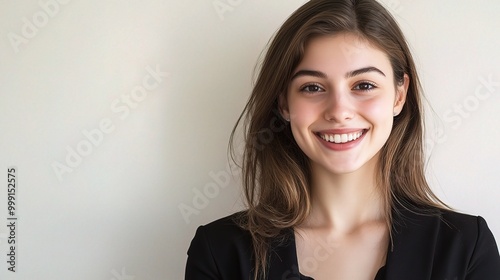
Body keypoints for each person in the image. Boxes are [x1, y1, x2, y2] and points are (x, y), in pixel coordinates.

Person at [185, 0, 500, 279]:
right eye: (312, 87)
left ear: (399, 95)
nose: (339, 111)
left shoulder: (466, 247)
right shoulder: (220, 252)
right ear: (284, 102)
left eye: (363, 85)